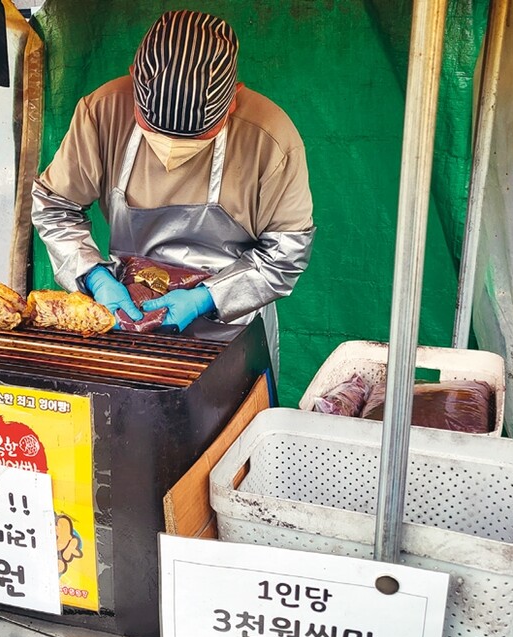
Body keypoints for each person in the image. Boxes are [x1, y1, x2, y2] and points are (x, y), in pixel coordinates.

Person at [31, 9, 314, 372]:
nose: (170, 151)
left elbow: (285, 256)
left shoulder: (271, 140)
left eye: (194, 137)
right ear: (133, 81)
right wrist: (92, 275)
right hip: (132, 317)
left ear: (233, 100)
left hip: (232, 330)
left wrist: (207, 297)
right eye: (154, 129)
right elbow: (56, 207)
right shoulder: (102, 112)